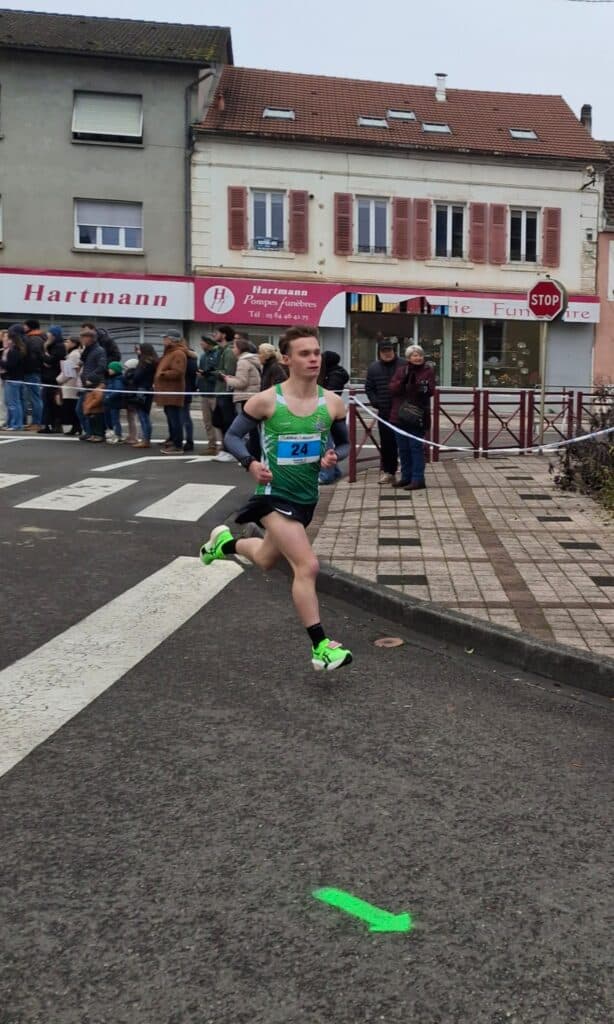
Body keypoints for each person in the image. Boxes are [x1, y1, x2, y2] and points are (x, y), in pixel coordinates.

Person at [200, 325, 352, 672]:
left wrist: (334, 456)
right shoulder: (267, 400)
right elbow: (234, 438)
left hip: (305, 497)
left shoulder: (331, 402)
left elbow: (343, 444)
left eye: (316, 352)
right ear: (287, 359)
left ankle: (223, 545)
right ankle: (321, 647)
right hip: (272, 495)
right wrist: (250, 463)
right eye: (304, 353)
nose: (313, 358)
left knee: (267, 559)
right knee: (307, 566)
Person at [389, 344, 436, 490]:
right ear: (409, 358)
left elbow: (429, 391)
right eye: (415, 355)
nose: (418, 358)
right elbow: (392, 389)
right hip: (399, 415)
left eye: (420, 355)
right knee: (403, 448)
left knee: (416, 448)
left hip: (417, 416)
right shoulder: (401, 370)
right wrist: (403, 381)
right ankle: (406, 477)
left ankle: (418, 479)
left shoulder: (427, 371)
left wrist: (418, 385)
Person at [365, 338, 406, 485]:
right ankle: (389, 472)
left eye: (389, 350)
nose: (387, 353)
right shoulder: (373, 368)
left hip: (403, 410)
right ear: (379, 352)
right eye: (384, 351)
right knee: (387, 443)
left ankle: (408, 473)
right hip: (385, 411)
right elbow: (369, 388)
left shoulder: (404, 364)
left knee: (405, 442)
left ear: (394, 350)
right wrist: (375, 402)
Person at [153, 329, 187, 455]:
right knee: (171, 417)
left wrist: (162, 374)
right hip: (167, 391)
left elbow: (178, 372)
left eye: (166, 338)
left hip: (173, 391)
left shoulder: (178, 353)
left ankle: (178, 445)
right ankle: (173, 440)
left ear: (172, 339)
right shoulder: (169, 352)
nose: (163, 340)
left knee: (175, 419)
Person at [319, 351, 350, 485]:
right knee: (328, 441)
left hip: (328, 410)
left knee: (327, 443)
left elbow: (330, 392)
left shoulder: (334, 375)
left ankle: (327, 475)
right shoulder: (335, 373)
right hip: (330, 408)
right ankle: (335, 471)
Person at [77, 326, 107, 442]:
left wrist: (91, 377)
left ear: (91, 338)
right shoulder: (87, 350)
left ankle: (98, 434)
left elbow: (102, 367)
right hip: (87, 384)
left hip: (96, 383)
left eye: (84, 337)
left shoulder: (99, 350)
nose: (82, 340)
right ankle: (91, 432)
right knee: (84, 409)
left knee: (95, 409)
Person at [213, 324, 238, 462]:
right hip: (221, 390)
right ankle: (224, 449)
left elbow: (228, 372)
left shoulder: (228, 351)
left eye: (216, 332)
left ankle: (231, 451)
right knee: (219, 421)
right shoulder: (221, 350)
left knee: (227, 421)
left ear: (223, 334)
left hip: (226, 391)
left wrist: (216, 372)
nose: (214, 335)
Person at [128, 343, 158, 448]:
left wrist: (132, 375)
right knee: (145, 415)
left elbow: (137, 376)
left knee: (143, 415)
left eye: (139, 350)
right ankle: (146, 439)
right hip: (148, 389)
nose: (138, 351)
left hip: (142, 389)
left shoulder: (145, 362)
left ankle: (146, 440)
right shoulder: (153, 360)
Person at [197, 334, 221, 454]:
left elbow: (218, 373)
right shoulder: (202, 356)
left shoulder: (218, 354)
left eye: (203, 342)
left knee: (219, 421)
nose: (201, 344)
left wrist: (207, 374)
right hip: (204, 391)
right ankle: (211, 445)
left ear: (208, 343)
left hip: (215, 392)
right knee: (207, 421)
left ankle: (224, 446)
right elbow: (201, 371)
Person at [0, 326, 27, 430]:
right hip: (11, 379)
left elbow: (10, 365)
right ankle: (12, 423)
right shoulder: (12, 350)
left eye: (7, 339)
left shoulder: (14, 351)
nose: (5, 341)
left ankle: (17, 424)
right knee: (10, 402)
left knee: (14, 403)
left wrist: (1, 361)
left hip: (13, 379)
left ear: (12, 340)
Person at [22, 318, 46, 431]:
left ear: (30, 326)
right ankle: (34, 422)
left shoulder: (34, 339)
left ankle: (37, 422)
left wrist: (30, 365)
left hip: (32, 371)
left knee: (35, 398)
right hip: (32, 371)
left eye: (25, 326)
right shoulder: (36, 337)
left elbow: (35, 355)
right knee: (32, 398)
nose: (24, 328)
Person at [41, 326, 66, 434]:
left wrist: (45, 349)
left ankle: (56, 425)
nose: (47, 335)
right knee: (46, 402)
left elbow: (50, 361)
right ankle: (47, 425)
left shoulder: (59, 347)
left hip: (54, 378)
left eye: (50, 333)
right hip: (47, 378)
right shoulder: (52, 345)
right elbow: (44, 361)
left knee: (54, 403)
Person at [56, 336, 82, 435]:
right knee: (71, 407)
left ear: (74, 344)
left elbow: (68, 372)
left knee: (71, 407)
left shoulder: (73, 355)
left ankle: (76, 426)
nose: (65, 344)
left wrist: (58, 380)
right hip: (70, 384)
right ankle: (76, 426)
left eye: (68, 342)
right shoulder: (72, 354)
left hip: (70, 385)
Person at [182, 341, 199, 453]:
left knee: (185, 416)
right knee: (181, 416)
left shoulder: (190, 358)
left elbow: (192, 373)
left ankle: (189, 441)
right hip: (184, 389)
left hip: (185, 389)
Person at [103, 360, 125, 443]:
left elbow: (118, 390)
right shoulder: (111, 379)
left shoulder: (118, 379)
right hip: (108, 402)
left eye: (111, 369)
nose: (109, 370)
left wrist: (108, 396)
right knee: (108, 420)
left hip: (114, 403)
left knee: (114, 420)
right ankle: (112, 434)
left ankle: (118, 435)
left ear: (115, 370)